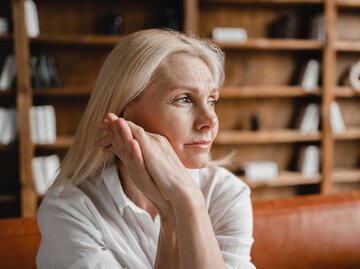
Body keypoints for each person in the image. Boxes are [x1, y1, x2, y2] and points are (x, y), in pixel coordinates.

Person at [36, 29, 255, 269]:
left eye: (212, 100)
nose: (210, 121)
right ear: (124, 113)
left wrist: (188, 202)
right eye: (183, 99)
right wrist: (176, 211)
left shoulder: (227, 193)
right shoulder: (70, 209)